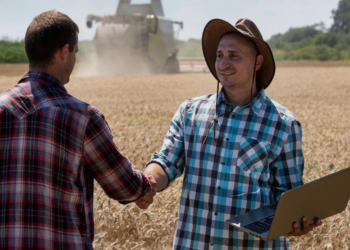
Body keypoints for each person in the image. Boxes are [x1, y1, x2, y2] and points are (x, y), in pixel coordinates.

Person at [137, 18, 321, 249]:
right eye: (219, 55)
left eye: (234, 55)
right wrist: (150, 180)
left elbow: (288, 195)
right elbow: (167, 162)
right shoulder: (190, 112)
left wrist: (296, 221)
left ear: (257, 62)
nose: (223, 63)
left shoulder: (282, 124)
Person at [0, 10, 155, 249]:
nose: (74, 59)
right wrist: (146, 186)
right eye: (75, 52)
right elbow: (124, 186)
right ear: (64, 52)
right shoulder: (82, 117)